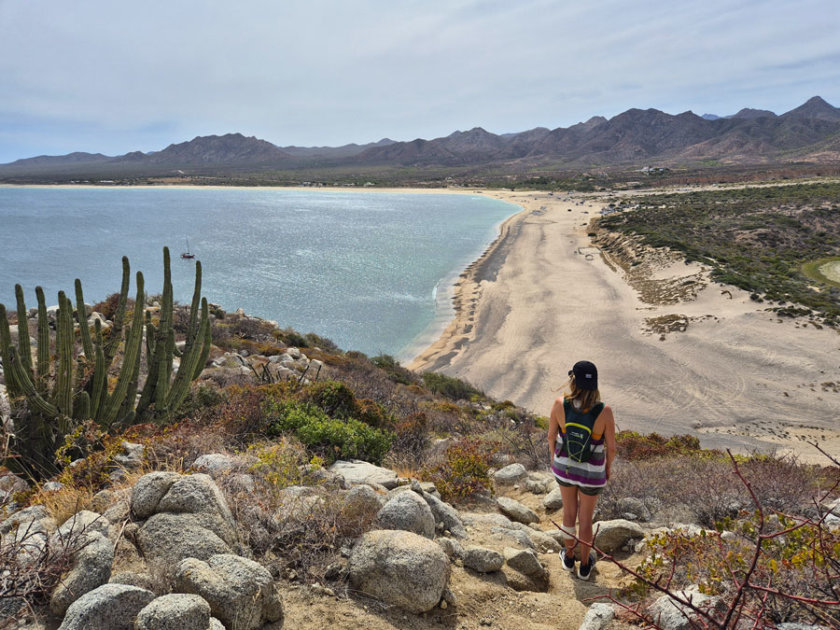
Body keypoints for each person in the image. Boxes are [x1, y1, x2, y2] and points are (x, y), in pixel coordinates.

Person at [547, 360, 616, 580]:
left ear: (573, 381)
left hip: (564, 468)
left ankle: (568, 558)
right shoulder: (604, 411)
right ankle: (585, 565)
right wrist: (607, 468)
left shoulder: (560, 404)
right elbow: (612, 448)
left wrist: (554, 458)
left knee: (568, 513)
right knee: (586, 519)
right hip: (591, 473)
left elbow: (550, 436)